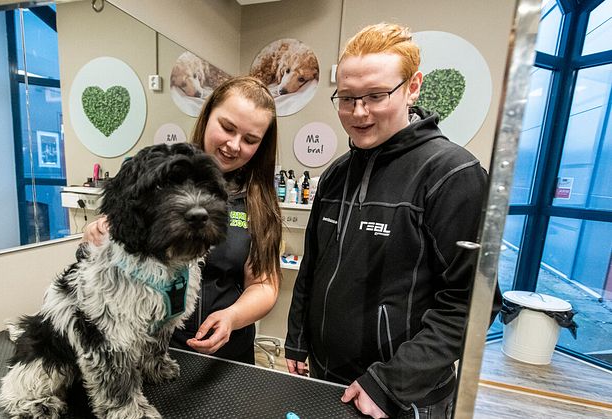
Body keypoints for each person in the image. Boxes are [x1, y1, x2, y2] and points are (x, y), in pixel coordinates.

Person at [284, 23, 500, 418]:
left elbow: (472, 305)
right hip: (327, 380)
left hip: (400, 396)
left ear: (412, 87)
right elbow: (311, 268)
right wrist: (297, 340)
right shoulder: (335, 174)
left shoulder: (453, 175)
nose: (359, 112)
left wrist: (390, 381)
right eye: (347, 98)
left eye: (376, 96)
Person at [83, 76, 282, 363]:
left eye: (250, 140)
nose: (234, 145)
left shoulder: (259, 202)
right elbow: (117, 235)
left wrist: (232, 317)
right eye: (227, 128)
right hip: (151, 346)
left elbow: (264, 285)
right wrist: (96, 230)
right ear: (207, 116)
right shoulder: (157, 176)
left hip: (227, 354)